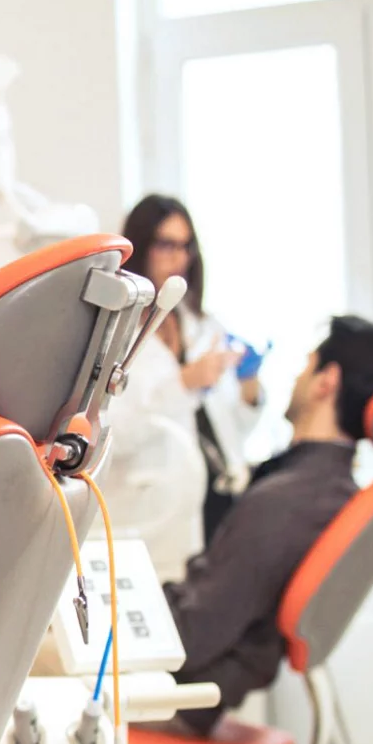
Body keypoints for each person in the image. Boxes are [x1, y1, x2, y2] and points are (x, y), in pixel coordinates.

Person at [162, 315, 373, 737]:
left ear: (327, 381)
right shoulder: (322, 489)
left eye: (307, 365)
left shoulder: (287, 503)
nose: (297, 377)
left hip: (172, 699)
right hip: (193, 679)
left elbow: (188, 639)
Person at [118, 195, 267, 557]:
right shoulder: (117, 335)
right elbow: (114, 434)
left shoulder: (203, 325)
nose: (179, 258)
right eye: (166, 244)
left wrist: (249, 387)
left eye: (186, 247)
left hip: (218, 495)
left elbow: (231, 427)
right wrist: (183, 383)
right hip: (154, 507)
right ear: (140, 248)